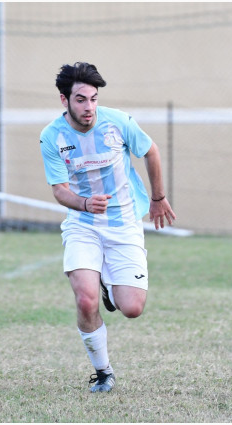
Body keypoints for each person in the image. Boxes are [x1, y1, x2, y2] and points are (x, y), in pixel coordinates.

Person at [39, 62, 176, 393]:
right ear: (64, 101)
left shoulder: (119, 123)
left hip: (124, 223)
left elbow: (151, 151)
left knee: (132, 308)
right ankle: (103, 372)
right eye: (81, 100)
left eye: (94, 99)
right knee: (86, 301)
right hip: (83, 225)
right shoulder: (52, 137)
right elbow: (59, 190)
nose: (89, 108)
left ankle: (107, 283)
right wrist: (85, 204)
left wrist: (158, 198)